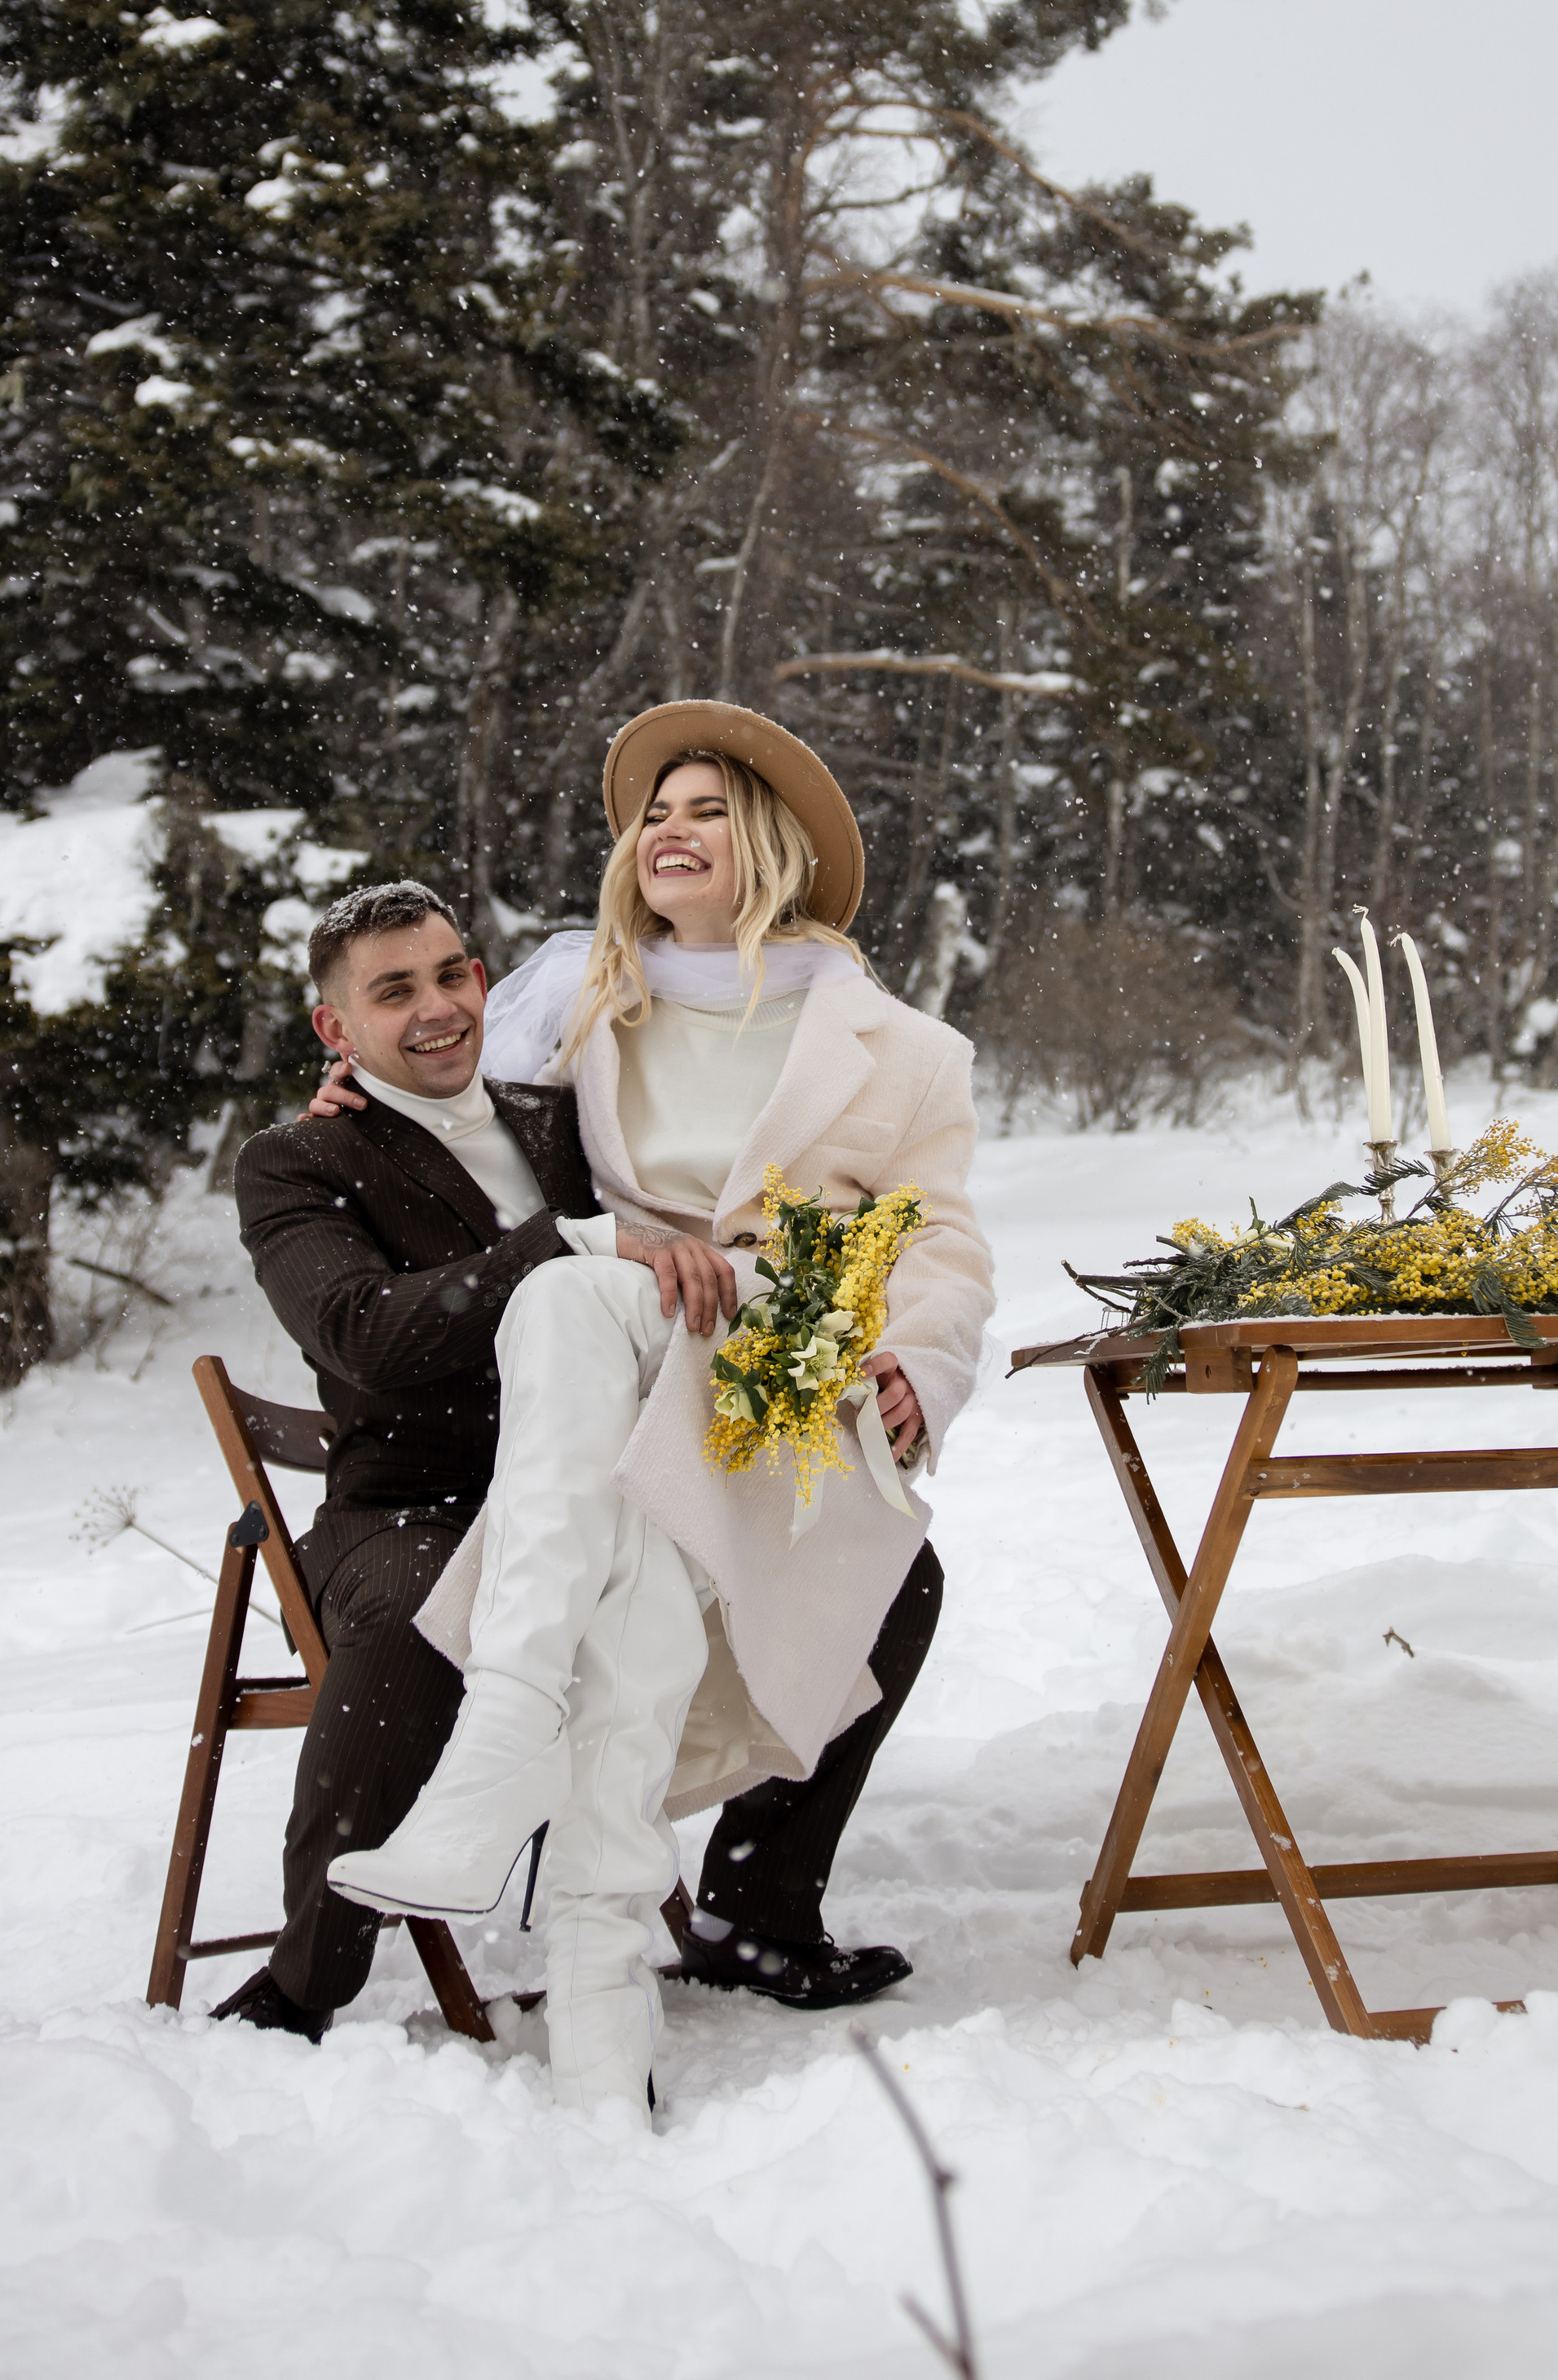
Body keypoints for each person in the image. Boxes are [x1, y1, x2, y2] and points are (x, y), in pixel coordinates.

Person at [310, 701, 993, 2122]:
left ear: (771, 847)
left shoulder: (903, 1047)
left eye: (704, 811)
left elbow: (940, 1238)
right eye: (653, 813)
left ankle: (563, 1797)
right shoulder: (579, 999)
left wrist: (921, 1362)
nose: (669, 832)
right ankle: (606, 1973)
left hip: (769, 1370)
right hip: (608, 1373)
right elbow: (431, 1080)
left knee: (823, 1574)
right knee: (578, 1316)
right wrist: (353, 1097)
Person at [218, 882, 735, 2047]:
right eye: (392, 992)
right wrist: (561, 1245)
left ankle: (759, 1916)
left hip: (604, 1488)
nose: (439, 1008)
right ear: (334, 1030)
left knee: (891, 1576)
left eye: (453, 975)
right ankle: (309, 1977)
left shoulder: (559, 1123)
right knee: (421, 1615)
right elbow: (363, 1333)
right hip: (411, 1507)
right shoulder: (299, 1161)